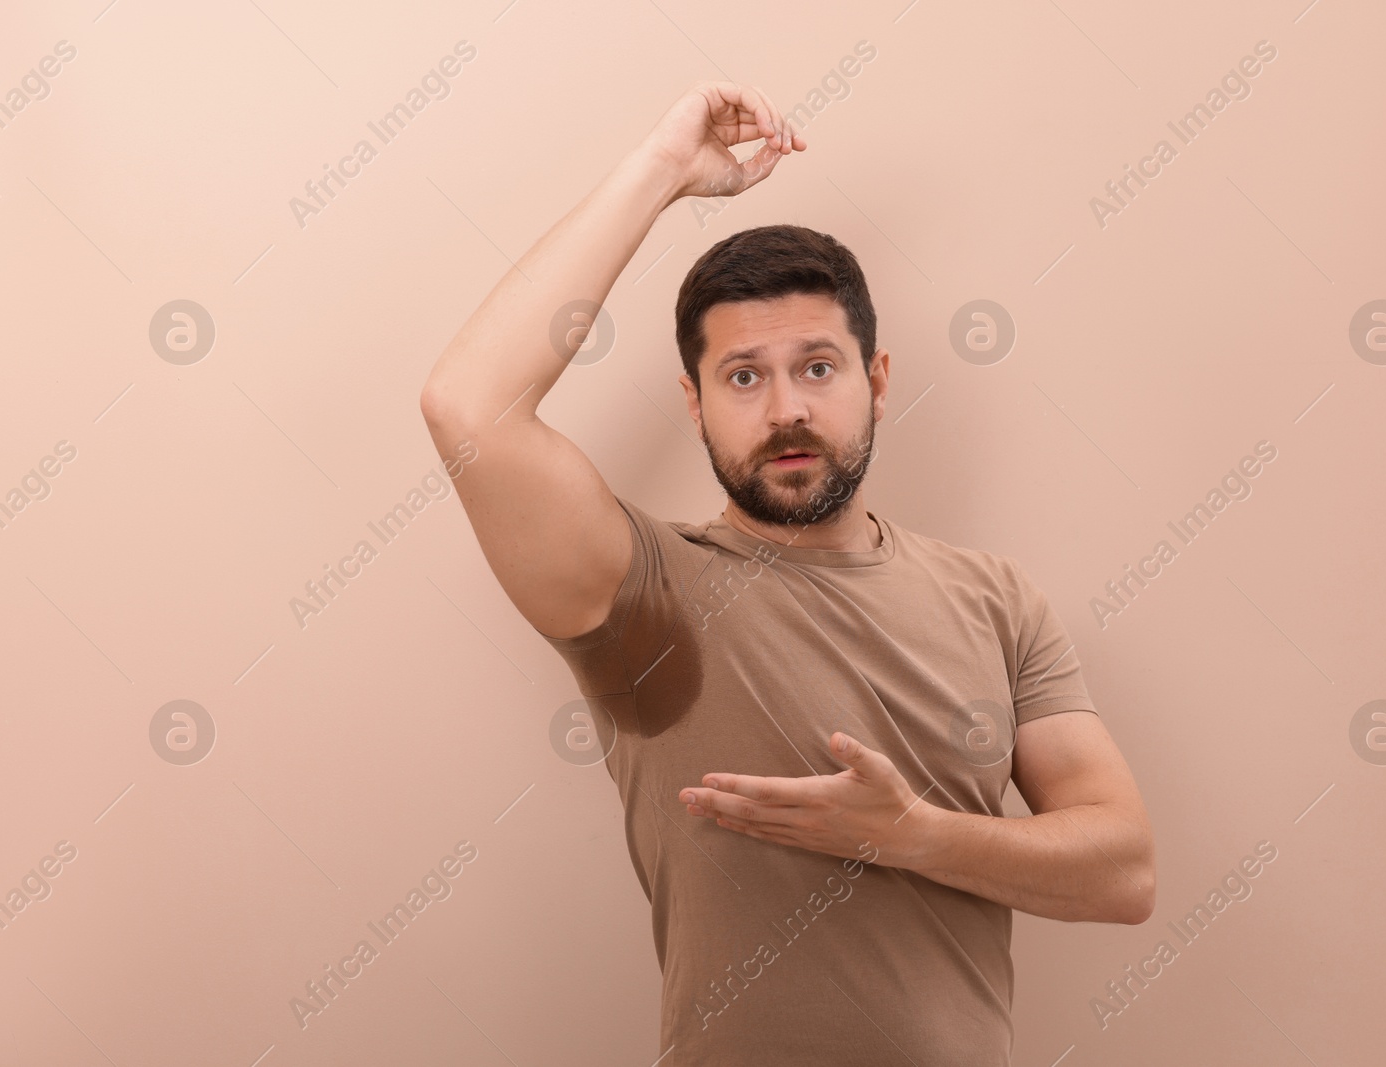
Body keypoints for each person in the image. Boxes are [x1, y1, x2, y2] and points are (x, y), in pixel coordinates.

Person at [419, 80, 1155, 1066]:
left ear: (875, 381)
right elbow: (468, 406)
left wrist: (907, 833)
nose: (784, 411)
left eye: (816, 366)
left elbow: (1122, 871)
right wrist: (663, 171)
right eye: (742, 376)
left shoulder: (996, 597)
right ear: (695, 403)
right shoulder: (644, 598)